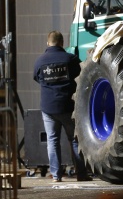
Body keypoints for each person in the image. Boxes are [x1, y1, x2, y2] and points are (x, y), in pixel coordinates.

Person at [33, 31, 92, 182]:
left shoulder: (40, 61)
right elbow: (82, 75)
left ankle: (56, 175)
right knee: (74, 139)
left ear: (48, 43)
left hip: (48, 108)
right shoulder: (70, 59)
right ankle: (81, 174)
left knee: (52, 141)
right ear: (62, 42)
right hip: (68, 107)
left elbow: (36, 78)